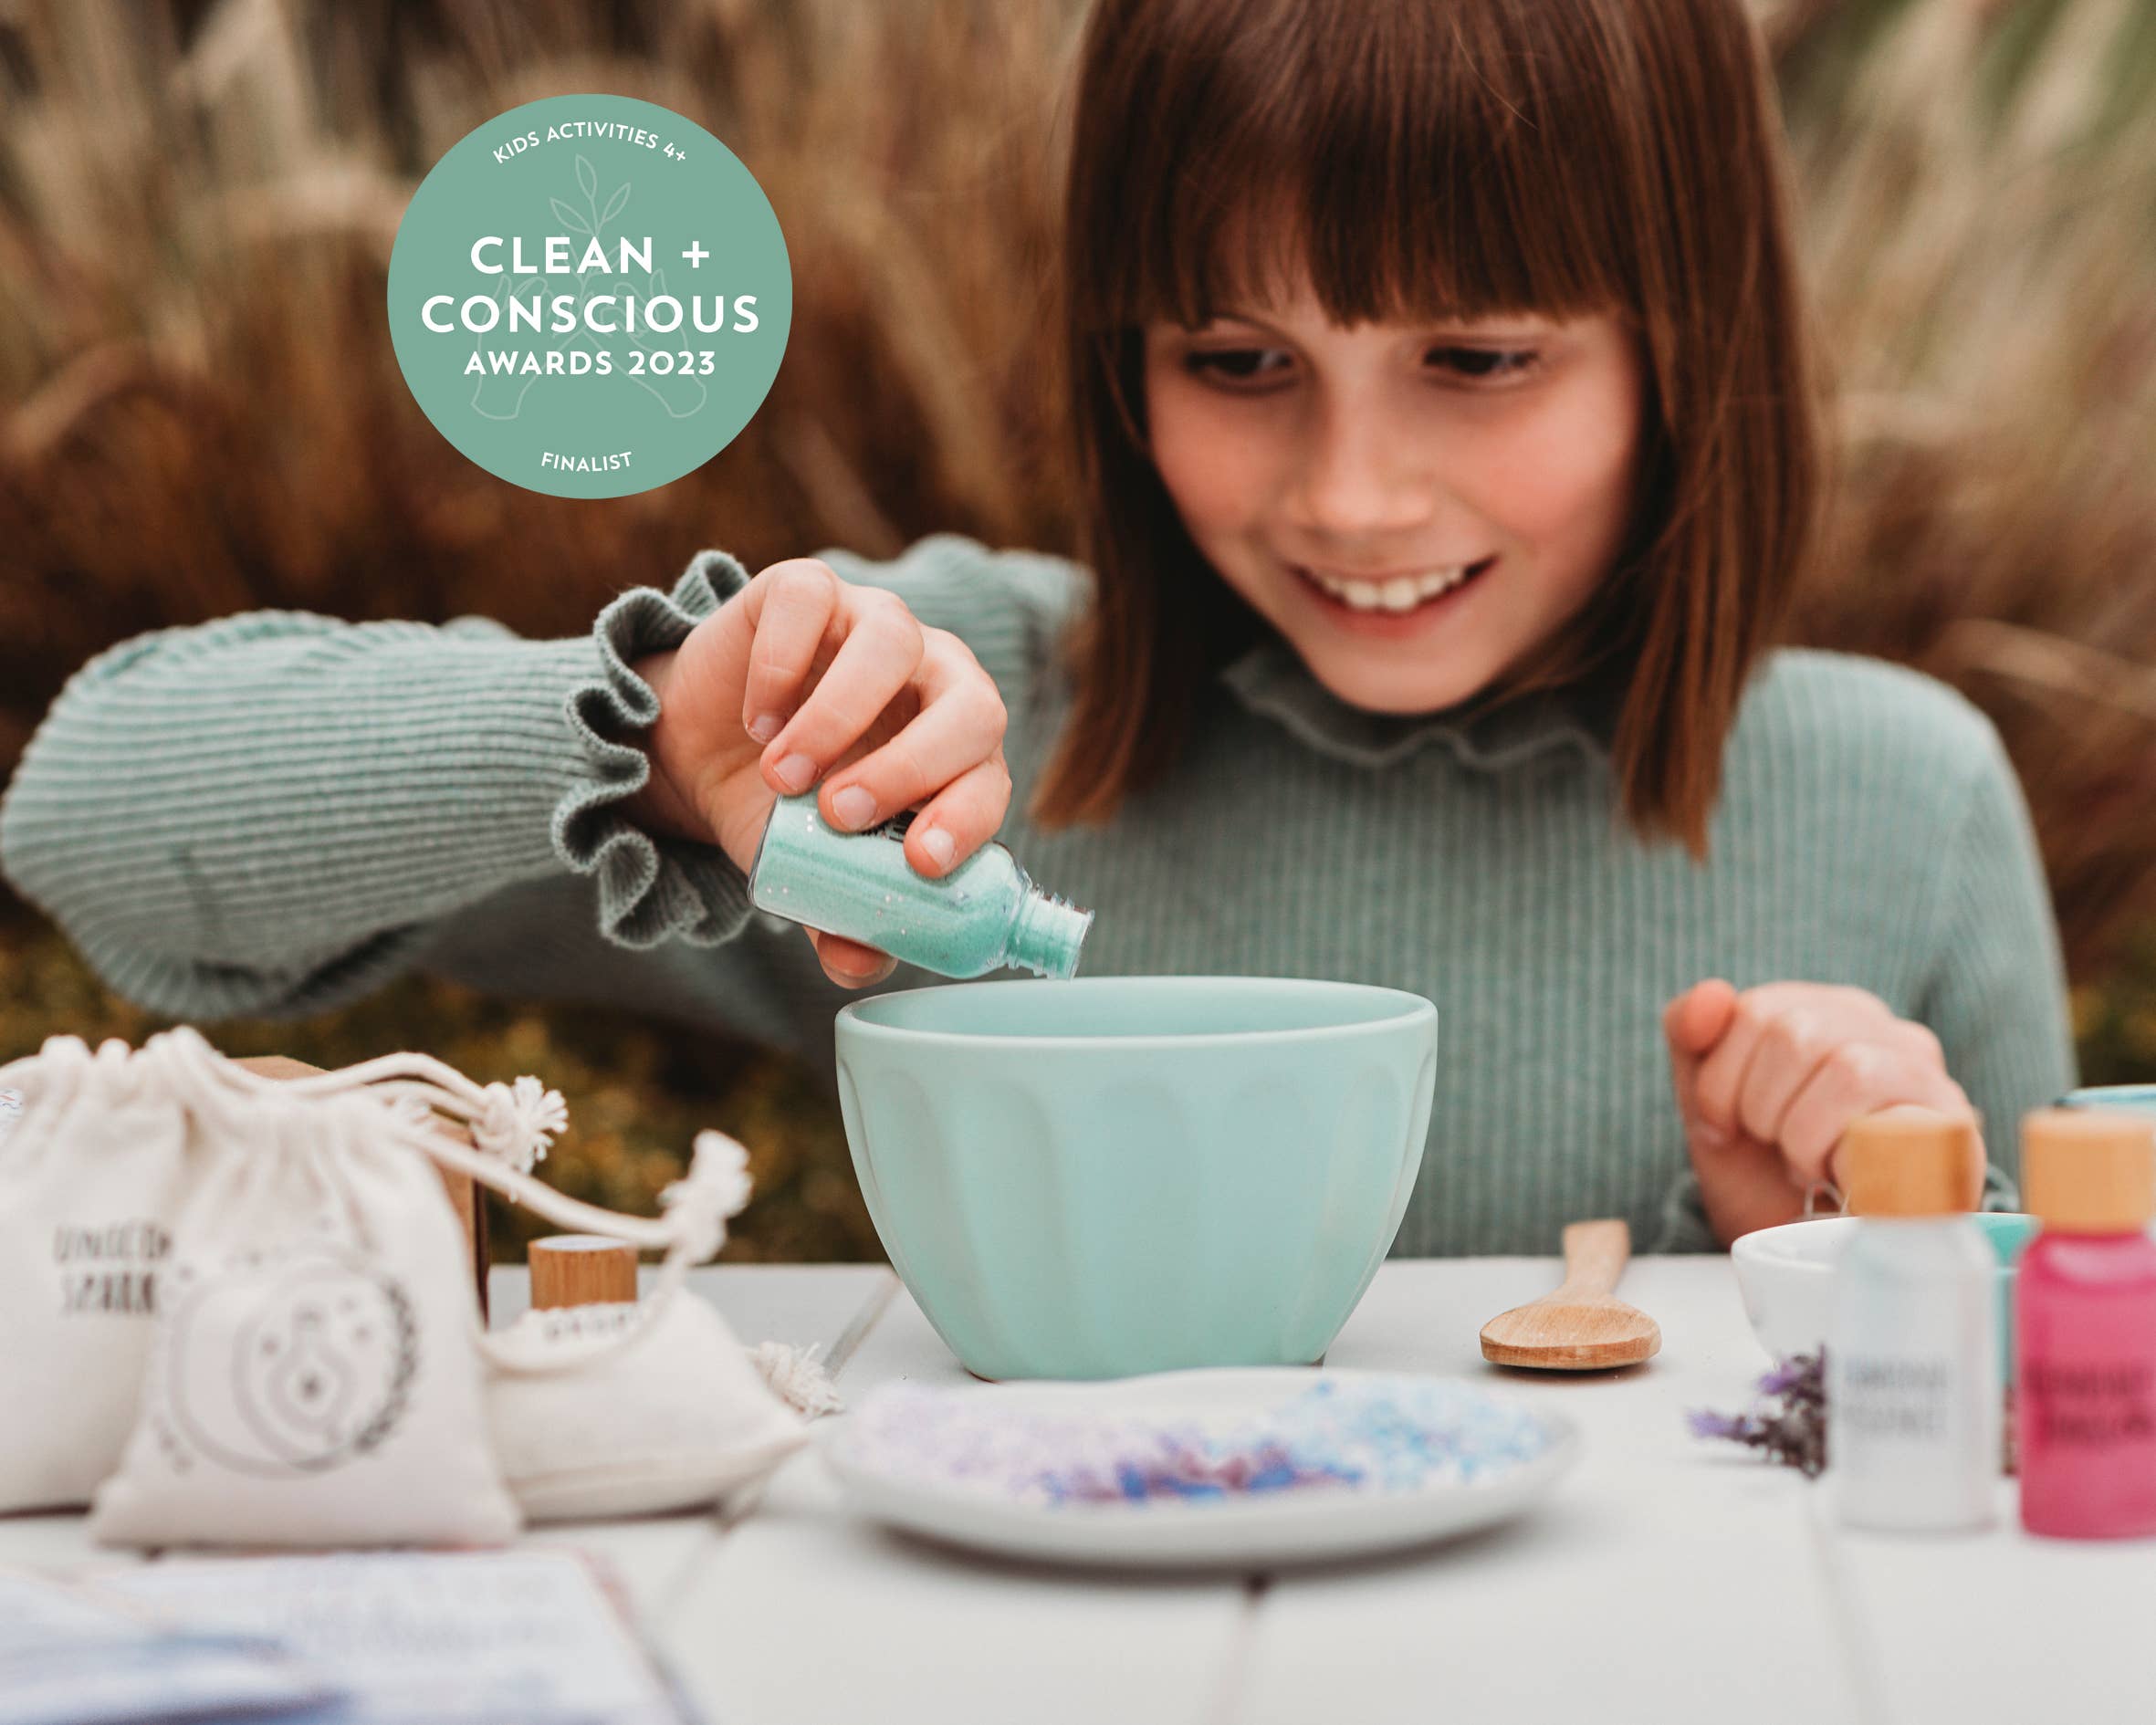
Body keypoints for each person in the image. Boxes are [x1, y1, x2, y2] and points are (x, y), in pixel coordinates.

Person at [0, 0, 2074, 1255]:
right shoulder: (936, 737)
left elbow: (2042, 1490)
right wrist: (646, 742)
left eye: (1475, 358)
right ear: (1118, 357)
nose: (1349, 497)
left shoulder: (1897, 803)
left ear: (1680, 350)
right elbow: (91, 811)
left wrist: (1847, 1255)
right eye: (1236, 361)